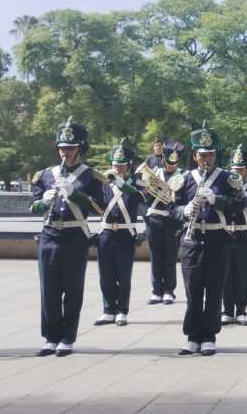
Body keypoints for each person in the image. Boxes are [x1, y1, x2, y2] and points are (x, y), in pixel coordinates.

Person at [30, 118, 106, 357]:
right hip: (50, 234)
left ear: (80, 149)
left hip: (75, 236)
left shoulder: (90, 176)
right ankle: (50, 337)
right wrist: (44, 200)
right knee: (48, 290)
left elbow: (100, 208)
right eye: (62, 148)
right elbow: (32, 207)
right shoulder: (45, 175)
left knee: (72, 290)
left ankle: (67, 337)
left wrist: (76, 194)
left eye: (71, 148)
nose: (66, 152)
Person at [174, 122, 242, 356]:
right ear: (195, 155)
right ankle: (192, 335)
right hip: (192, 241)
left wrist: (216, 200)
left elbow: (238, 206)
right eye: (202, 155)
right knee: (192, 291)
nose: (206, 159)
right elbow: (172, 208)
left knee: (214, 290)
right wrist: (185, 210)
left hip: (217, 238)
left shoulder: (226, 178)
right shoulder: (185, 178)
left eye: (211, 154)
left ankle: (209, 335)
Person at [94, 139, 145, 328]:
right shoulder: (104, 183)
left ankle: (122, 310)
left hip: (125, 233)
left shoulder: (136, 181)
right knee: (106, 274)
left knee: (123, 275)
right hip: (106, 232)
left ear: (129, 165)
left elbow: (140, 199)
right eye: (115, 165)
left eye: (122, 165)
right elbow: (97, 204)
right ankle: (108, 310)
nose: (117, 168)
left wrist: (122, 183)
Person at [222, 145, 247, 327]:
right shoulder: (223, 187)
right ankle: (227, 310)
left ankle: (241, 311)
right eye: (235, 169)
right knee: (226, 275)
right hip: (227, 233)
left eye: (241, 169)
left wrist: (241, 192)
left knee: (242, 275)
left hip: (245, 233)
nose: (237, 172)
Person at [143, 147, 185, 305]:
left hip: (171, 220)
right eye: (168, 162)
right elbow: (144, 197)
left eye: (174, 163)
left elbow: (182, 199)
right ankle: (156, 291)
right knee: (156, 256)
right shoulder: (155, 174)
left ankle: (169, 290)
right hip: (154, 217)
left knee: (170, 256)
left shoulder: (182, 175)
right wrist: (148, 189)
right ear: (163, 160)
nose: (171, 166)